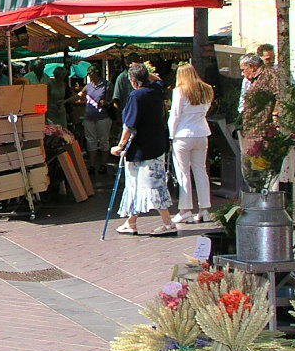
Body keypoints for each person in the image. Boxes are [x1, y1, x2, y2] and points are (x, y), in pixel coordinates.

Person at [110, 64, 175, 236]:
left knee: (150, 184)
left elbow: (129, 125)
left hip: (141, 147)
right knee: (138, 185)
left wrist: (120, 145)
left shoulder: (136, 95)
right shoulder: (156, 90)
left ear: (132, 81)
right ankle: (130, 222)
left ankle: (168, 223)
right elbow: (158, 80)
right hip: (156, 143)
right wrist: (145, 73)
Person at [169, 64, 214, 223]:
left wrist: (170, 135)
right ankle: (204, 209)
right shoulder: (207, 89)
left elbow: (175, 115)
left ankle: (185, 209)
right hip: (201, 132)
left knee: (183, 173)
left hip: (183, 134)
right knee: (201, 172)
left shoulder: (179, 91)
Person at [78, 67, 111, 173]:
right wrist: (65, 101)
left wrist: (106, 103)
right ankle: (91, 165)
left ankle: (103, 164)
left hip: (103, 117)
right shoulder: (88, 86)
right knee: (90, 141)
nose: (88, 75)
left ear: (96, 73)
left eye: (89, 73)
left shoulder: (107, 84)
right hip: (89, 117)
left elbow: (113, 99)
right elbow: (79, 96)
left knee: (103, 140)